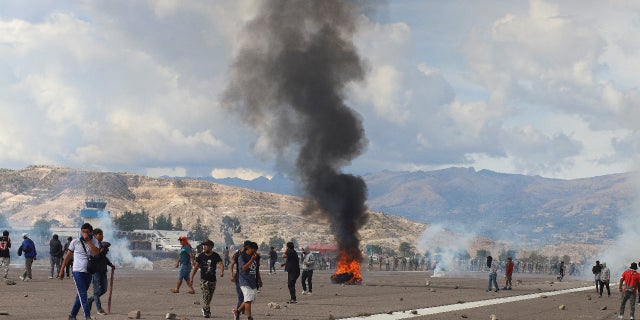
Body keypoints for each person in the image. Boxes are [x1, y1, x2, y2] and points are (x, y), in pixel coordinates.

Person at [59, 222, 100, 320]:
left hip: (89, 272)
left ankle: (72, 315)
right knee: (83, 294)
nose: (84, 234)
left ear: (91, 233)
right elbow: (67, 256)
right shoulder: (75, 241)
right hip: (77, 271)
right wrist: (62, 270)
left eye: (86, 232)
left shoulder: (94, 241)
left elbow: (96, 253)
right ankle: (87, 316)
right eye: (82, 232)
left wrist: (88, 241)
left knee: (80, 295)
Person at [189, 239, 223, 318]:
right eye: (203, 245)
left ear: (211, 246)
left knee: (209, 296)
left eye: (206, 245)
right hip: (203, 280)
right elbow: (196, 267)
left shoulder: (215, 255)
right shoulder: (201, 256)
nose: (204, 247)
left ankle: (205, 309)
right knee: (206, 294)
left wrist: (222, 271)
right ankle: (207, 311)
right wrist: (191, 278)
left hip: (213, 280)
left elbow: (221, 263)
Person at [88, 228, 115, 315]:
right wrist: (100, 252)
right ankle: (99, 309)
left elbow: (103, 258)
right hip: (95, 271)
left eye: (102, 234)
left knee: (104, 289)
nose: (102, 236)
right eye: (100, 234)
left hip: (103, 270)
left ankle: (90, 299)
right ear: (95, 235)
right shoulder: (91, 245)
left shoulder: (102, 245)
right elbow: (94, 258)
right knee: (96, 291)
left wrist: (110, 264)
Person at [233, 241, 261, 320]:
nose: (254, 252)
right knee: (248, 299)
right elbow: (244, 268)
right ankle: (249, 317)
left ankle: (237, 311)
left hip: (253, 281)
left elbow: (256, 269)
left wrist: (259, 280)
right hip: (244, 281)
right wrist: (251, 260)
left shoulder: (256, 257)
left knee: (250, 299)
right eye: (253, 250)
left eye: (255, 250)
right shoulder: (242, 257)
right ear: (248, 248)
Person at [230, 241, 250, 315]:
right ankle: (238, 312)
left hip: (248, 276)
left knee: (247, 295)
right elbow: (232, 264)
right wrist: (231, 275)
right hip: (239, 276)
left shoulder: (250, 254)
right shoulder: (238, 254)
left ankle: (241, 309)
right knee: (241, 295)